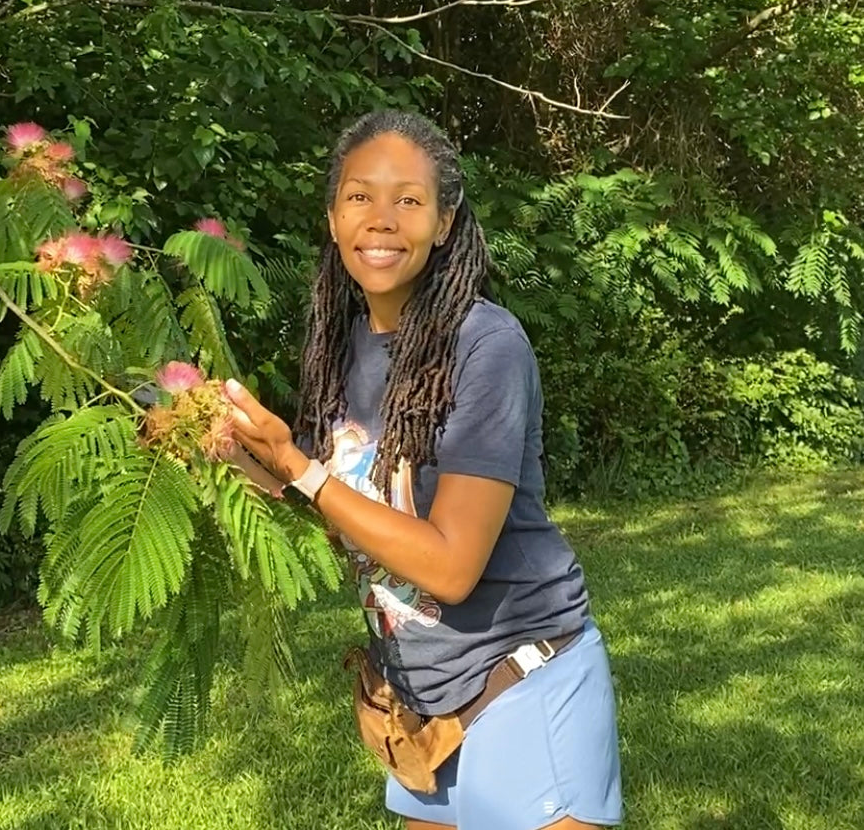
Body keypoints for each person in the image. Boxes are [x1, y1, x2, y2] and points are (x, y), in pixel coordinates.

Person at [223, 109, 623, 830]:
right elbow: (331, 500)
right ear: (331, 216)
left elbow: (450, 567)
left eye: (407, 199)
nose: (380, 219)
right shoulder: (338, 350)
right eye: (358, 197)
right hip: (421, 703)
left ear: (443, 223)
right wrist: (233, 455)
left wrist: (295, 464)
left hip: (519, 681)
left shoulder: (486, 345)